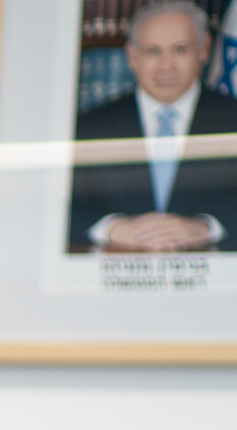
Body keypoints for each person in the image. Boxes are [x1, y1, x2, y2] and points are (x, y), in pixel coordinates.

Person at [67, 0, 237, 252]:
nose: (166, 66)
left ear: (204, 50)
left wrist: (207, 227)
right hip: (115, 277)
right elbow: (61, 208)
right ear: (132, 57)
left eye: (180, 50)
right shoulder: (88, 127)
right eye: (153, 52)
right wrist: (111, 228)